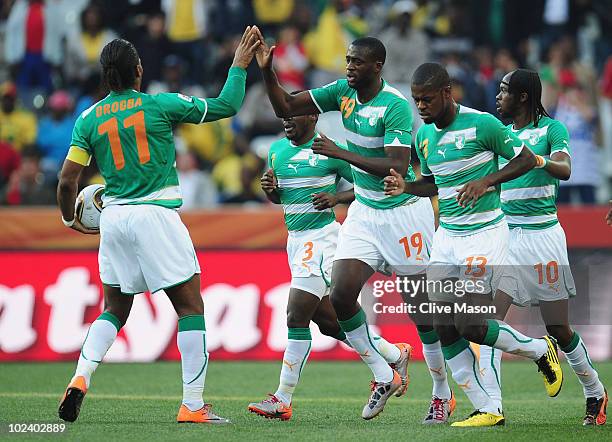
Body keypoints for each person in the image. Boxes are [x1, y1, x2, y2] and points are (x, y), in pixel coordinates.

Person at [56, 28, 261, 424]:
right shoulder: (160, 105)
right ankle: (193, 405)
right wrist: (238, 65)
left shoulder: (87, 119)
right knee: (190, 307)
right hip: (156, 214)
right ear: (138, 69)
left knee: (114, 308)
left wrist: (70, 218)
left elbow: (67, 180)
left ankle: (80, 377)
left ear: (104, 76)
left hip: (113, 219)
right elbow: (227, 105)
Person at [255, 33, 452, 422]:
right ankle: (384, 374)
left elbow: (396, 165)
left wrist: (339, 151)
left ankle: (442, 393)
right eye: (347, 60)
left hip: (403, 212)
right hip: (364, 212)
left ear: (376, 66)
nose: (348, 68)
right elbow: (286, 104)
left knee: (421, 311)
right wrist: (266, 71)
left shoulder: (394, 105)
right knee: (342, 295)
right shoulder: (340, 93)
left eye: (356, 62)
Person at [384, 62, 563, 427]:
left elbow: (526, 159)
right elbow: (434, 183)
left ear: (448, 92)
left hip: (485, 233)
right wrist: (407, 188)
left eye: (427, 99)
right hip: (446, 235)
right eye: (417, 100)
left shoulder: (483, 124)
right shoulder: (424, 137)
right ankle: (487, 408)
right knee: (442, 323)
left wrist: (487, 181)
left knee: (470, 322)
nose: (421, 107)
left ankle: (538, 350)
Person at [247, 97, 411, 420]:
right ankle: (394, 355)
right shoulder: (277, 151)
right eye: (283, 116)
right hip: (295, 242)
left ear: (312, 116)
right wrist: (270, 190)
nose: (286, 120)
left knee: (296, 316)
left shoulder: (327, 151)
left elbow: (367, 184)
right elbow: (282, 197)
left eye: (293, 114)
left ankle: (283, 398)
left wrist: (337, 197)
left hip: (321, 241)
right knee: (328, 323)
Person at [478, 68, 607, 426]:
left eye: (504, 91)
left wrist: (537, 159)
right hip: (506, 235)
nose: (498, 96)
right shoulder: (501, 135)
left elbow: (565, 169)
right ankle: (493, 407)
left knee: (559, 328)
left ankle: (595, 390)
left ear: (522, 96)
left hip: (543, 235)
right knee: (488, 322)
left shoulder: (552, 130)